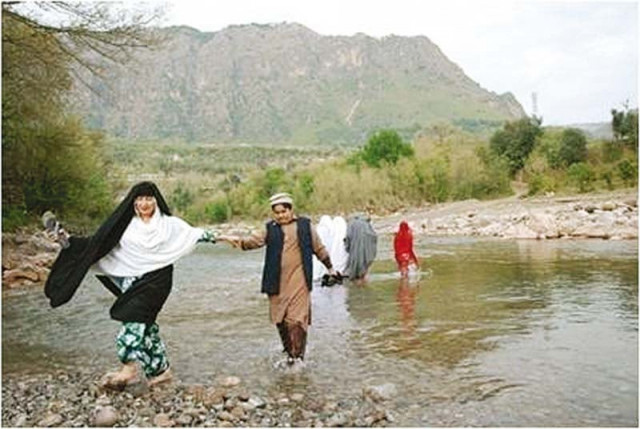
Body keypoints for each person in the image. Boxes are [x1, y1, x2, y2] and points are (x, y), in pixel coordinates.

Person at [44, 181, 218, 389]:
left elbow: (197, 234)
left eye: (149, 199)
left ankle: (129, 370)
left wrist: (231, 238)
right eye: (140, 199)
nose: (144, 203)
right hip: (130, 280)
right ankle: (160, 372)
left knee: (132, 320)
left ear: (156, 201)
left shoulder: (170, 224)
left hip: (156, 282)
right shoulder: (125, 225)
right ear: (133, 202)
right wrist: (67, 241)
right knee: (147, 328)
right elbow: (99, 243)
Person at [219, 192, 336, 366]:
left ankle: (297, 358)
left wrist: (330, 268)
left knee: (296, 320)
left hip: (299, 281)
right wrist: (234, 240)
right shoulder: (269, 228)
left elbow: (319, 249)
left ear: (291, 210)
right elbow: (252, 242)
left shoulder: (305, 226)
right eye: (277, 213)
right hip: (276, 282)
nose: (281, 216)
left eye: (283, 211)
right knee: (281, 320)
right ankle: (289, 352)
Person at [344, 212, 378, 283]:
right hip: (367, 254)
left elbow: (348, 238)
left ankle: (357, 285)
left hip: (355, 253)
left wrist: (348, 247)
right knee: (364, 273)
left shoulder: (352, 224)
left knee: (355, 274)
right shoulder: (367, 225)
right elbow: (374, 237)